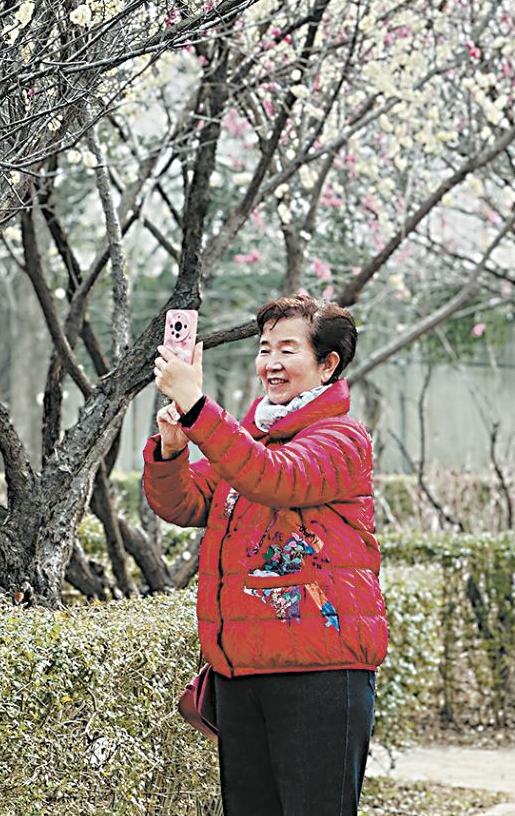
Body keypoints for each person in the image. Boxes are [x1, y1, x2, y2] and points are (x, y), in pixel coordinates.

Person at [143, 293, 387, 816]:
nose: (271, 363)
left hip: (321, 674)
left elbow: (276, 478)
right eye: (264, 348)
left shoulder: (342, 439)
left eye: (288, 350)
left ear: (328, 364)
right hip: (242, 672)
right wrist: (172, 446)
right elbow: (184, 502)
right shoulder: (248, 437)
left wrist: (199, 410)